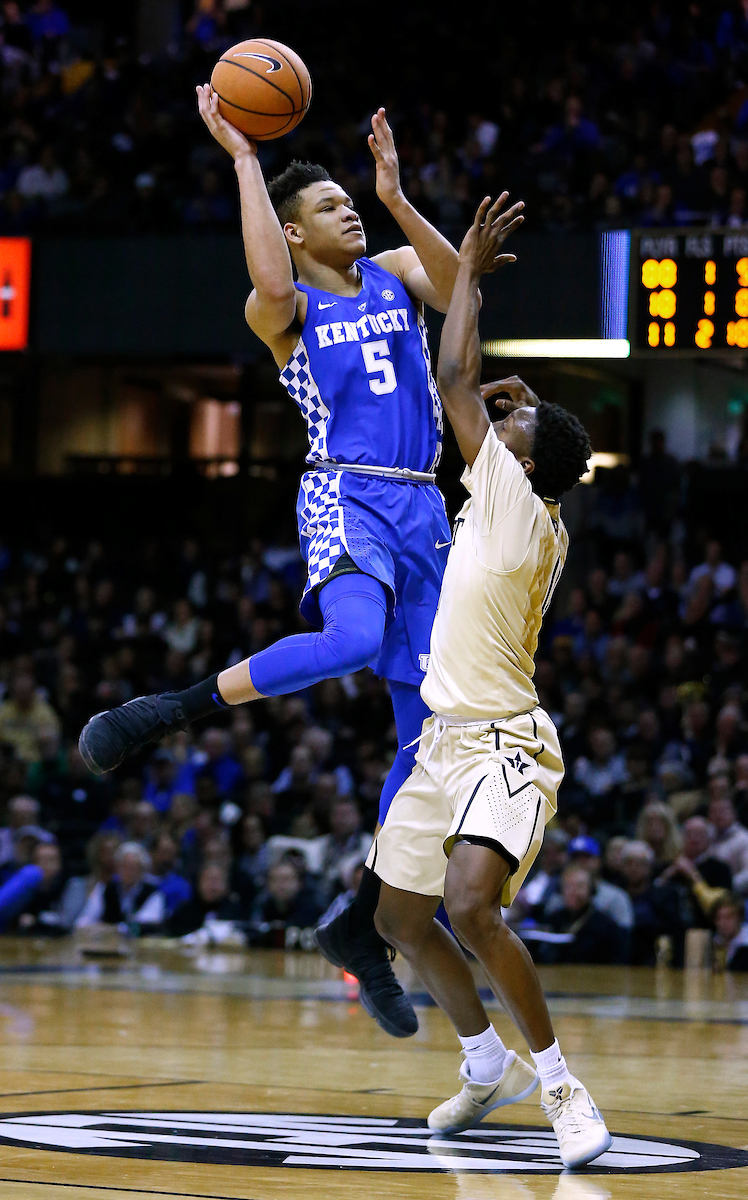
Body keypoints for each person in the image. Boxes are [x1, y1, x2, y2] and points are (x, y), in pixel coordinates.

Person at [78, 93, 463, 1037]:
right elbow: (265, 271)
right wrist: (247, 160)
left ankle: (361, 923)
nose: (350, 214)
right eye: (331, 207)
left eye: (349, 203)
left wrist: (398, 194)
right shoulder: (282, 311)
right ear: (293, 231)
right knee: (354, 636)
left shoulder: (395, 268)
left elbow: (459, 286)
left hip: (425, 506)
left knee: (432, 739)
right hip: (347, 491)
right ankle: (166, 711)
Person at [367, 195, 610, 1168]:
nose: (496, 425)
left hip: (505, 741)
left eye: (512, 428)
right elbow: (473, 392)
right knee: (396, 917)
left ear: (525, 462)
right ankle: (483, 1063)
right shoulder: (509, 497)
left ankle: (561, 1088)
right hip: (444, 741)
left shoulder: (519, 505)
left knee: (469, 906)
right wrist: (510, 403)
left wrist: (462, 269)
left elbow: (452, 374)